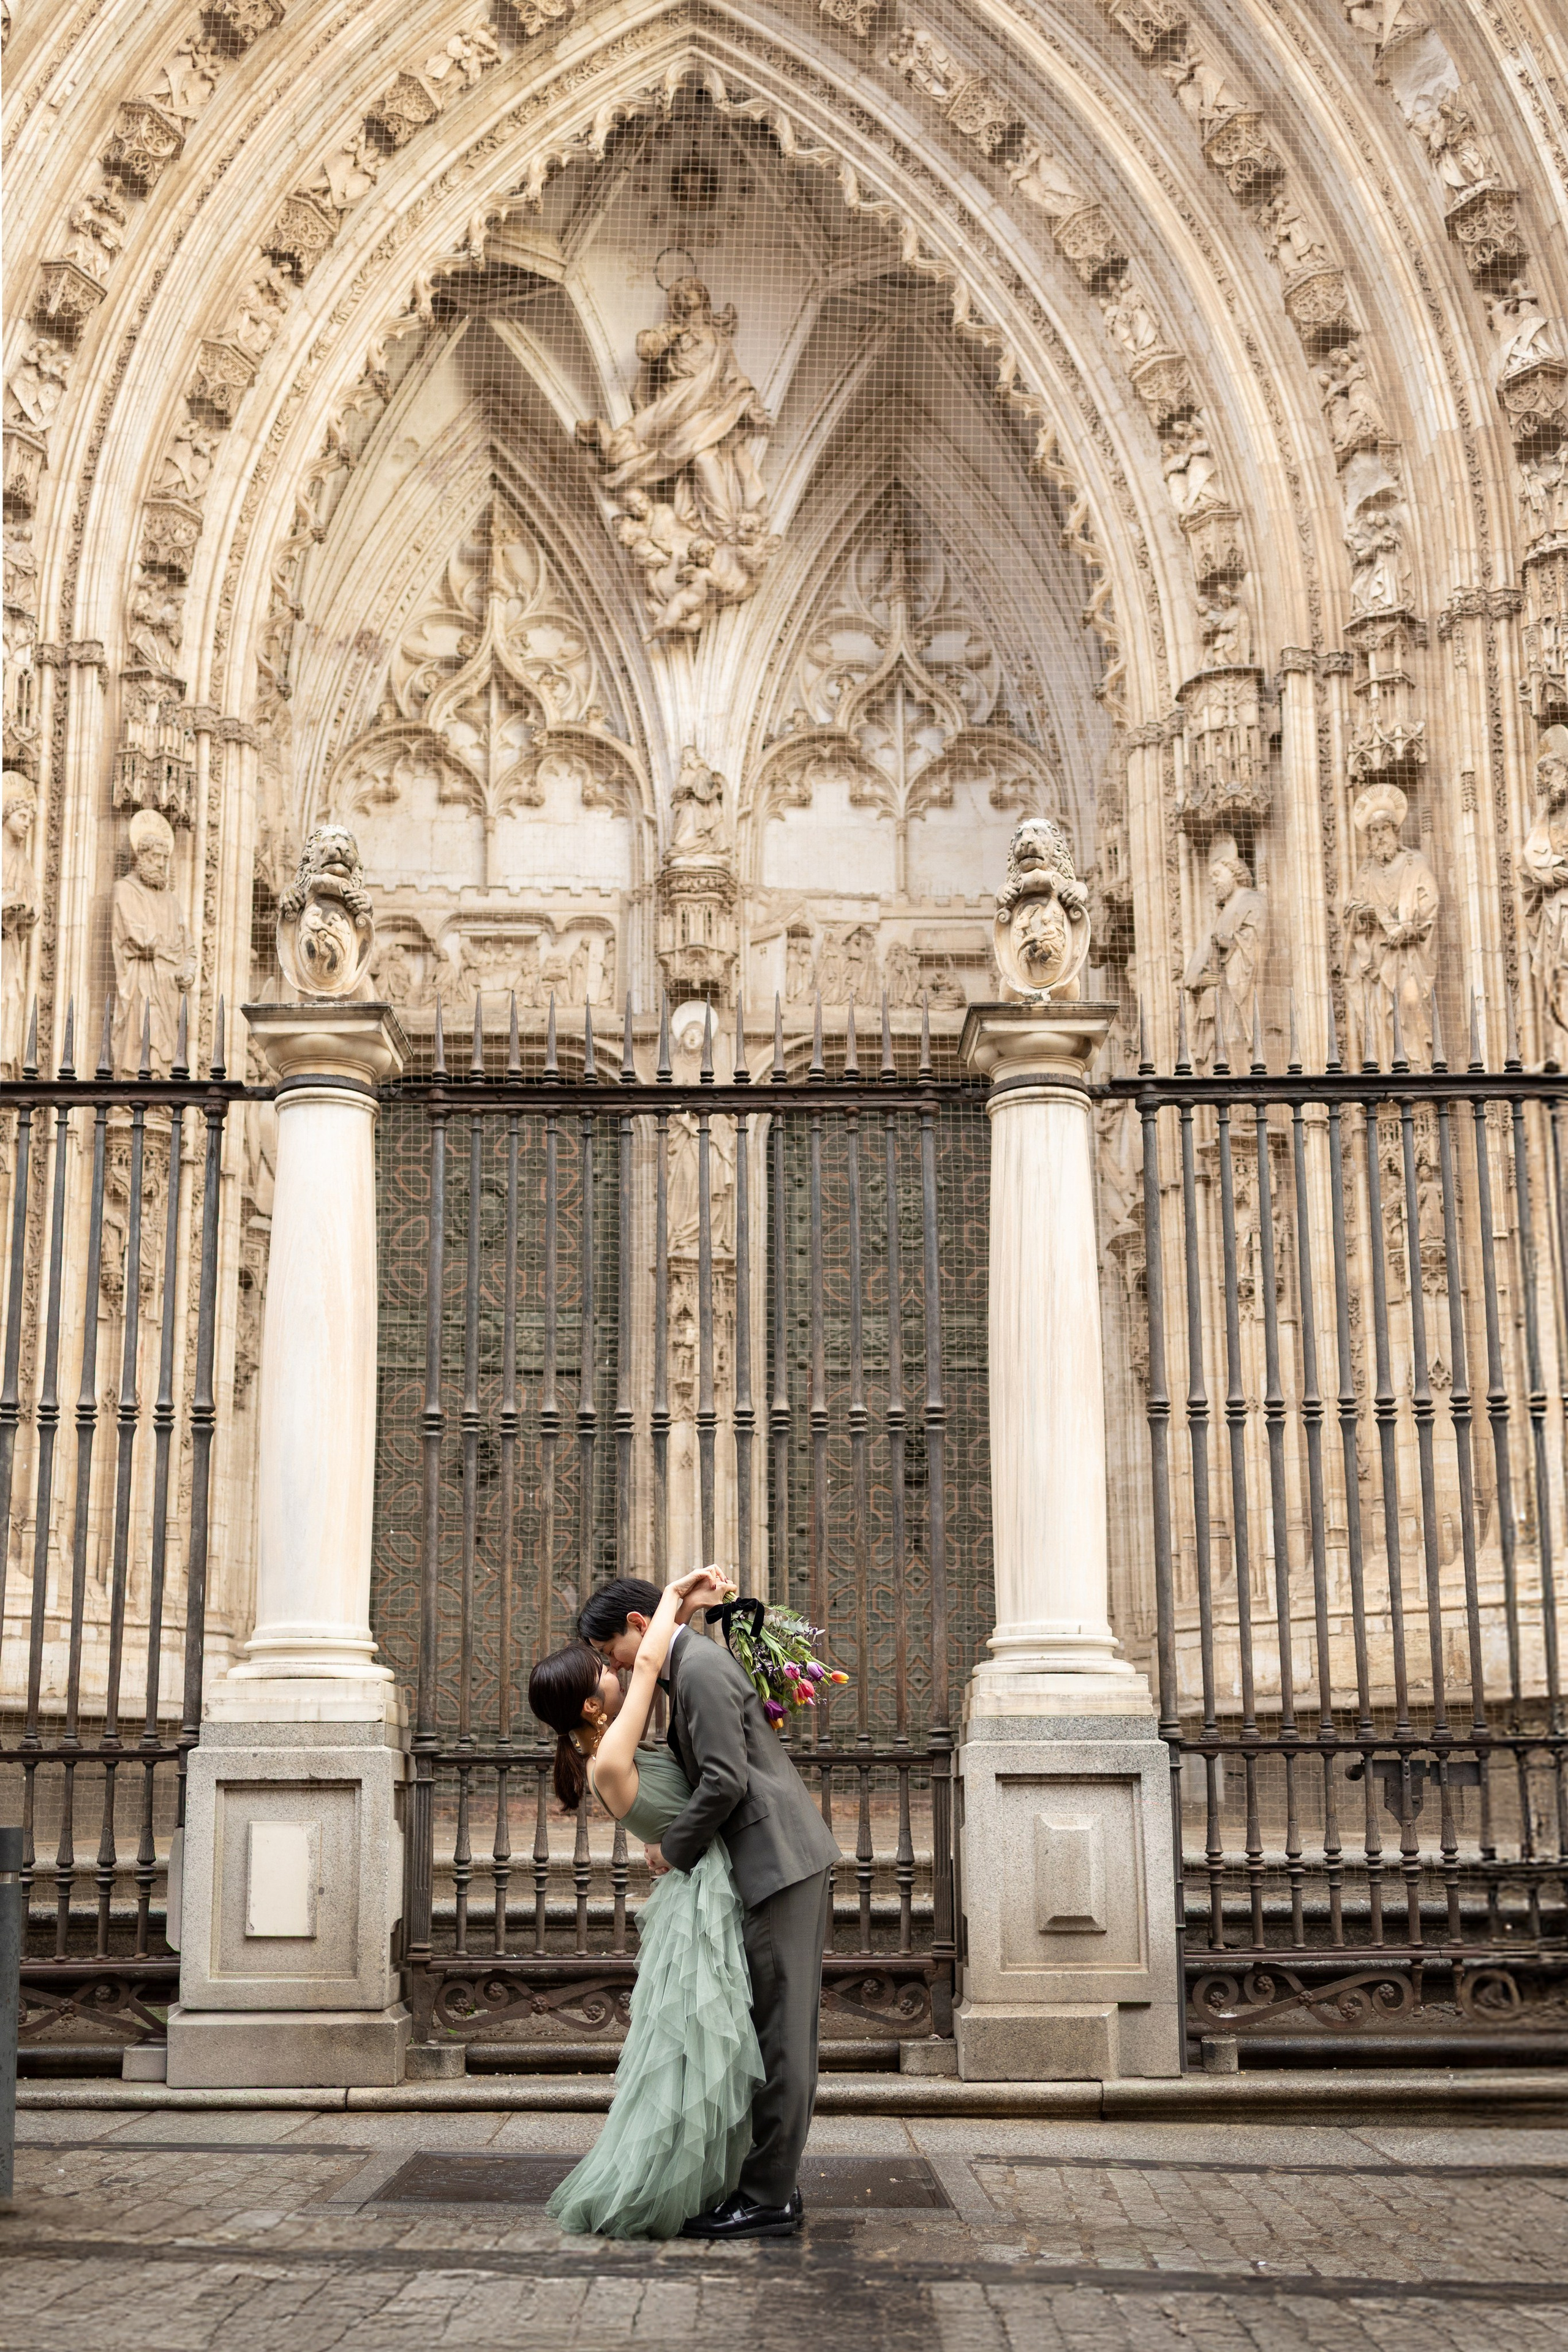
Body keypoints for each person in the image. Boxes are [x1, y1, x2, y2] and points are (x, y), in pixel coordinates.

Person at [579, 1572, 840, 2241]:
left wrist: (673, 1846)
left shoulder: (695, 1669)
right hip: (767, 1861)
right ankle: (766, 2184)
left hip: (778, 1861)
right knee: (768, 2030)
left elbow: (724, 1779)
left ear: (639, 1627)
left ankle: (769, 2198)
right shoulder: (685, 1667)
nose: (611, 1665)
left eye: (610, 1649)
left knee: (784, 2040)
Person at [528, 1567, 759, 2239]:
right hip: (702, 1893)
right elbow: (653, 1658)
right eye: (599, 1669)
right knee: (698, 2047)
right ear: (593, 1708)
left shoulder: (603, 1752)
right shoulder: (608, 1759)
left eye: (605, 1659)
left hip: (694, 1880)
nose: (612, 1670)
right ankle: (686, 2183)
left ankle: (712, 2177)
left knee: (697, 2047)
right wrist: (670, 1599)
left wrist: (686, 1606)